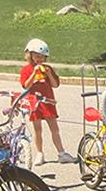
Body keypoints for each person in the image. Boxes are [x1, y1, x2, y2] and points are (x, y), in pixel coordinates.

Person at [20, 38, 76, 166]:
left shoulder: (47, 68)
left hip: (48, 102)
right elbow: (26, 86)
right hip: (35, 103)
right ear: (30, 55)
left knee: (54, 129)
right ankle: (39, 153)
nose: (40, 59)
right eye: (37, 56)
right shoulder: (27, 70)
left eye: (42, 57)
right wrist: (34, 73)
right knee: (37, 130)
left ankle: (61, 153)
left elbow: (55, 85)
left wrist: (49, 74)